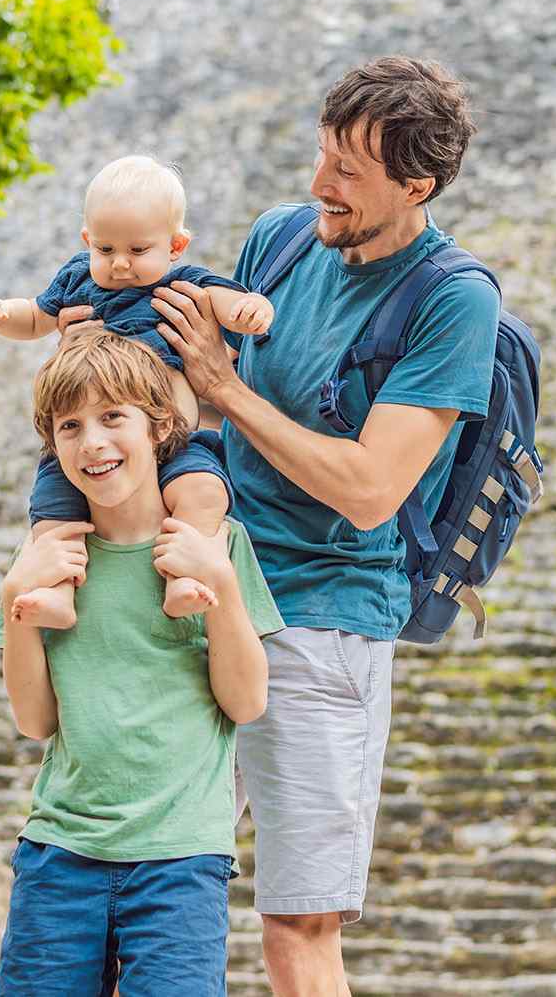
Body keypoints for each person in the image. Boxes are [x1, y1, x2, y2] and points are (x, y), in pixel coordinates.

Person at [149, 56, 499, 996]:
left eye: (348, 172)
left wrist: (225, 384)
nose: (319, 187)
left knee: (297, 924)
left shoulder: (452, 298)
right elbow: (212, 412)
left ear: (414, 185)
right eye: (322, 155)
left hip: (325, 617)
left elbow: (371, 488)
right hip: (204, 595)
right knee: (145, 892)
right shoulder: (282, 241)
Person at [0, 331, 284, 997]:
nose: (92, 442)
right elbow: (37, 719)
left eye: (112, 417)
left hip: (181, 858)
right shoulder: (44, 562)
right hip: (60, 854)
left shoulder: (218, 544)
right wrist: (15, 596)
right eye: (70, 426)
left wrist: (221, 586)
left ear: (159, 429)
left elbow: (246, 702)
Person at [0, 154, 275, 625]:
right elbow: (37, 315)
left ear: (176, 245)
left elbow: (223, 302)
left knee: (205, 492)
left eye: (137, 252)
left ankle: (185, 578)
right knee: (53, 509)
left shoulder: (183, 283)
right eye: (105, 249)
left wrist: (248, 308)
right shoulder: (79, 280)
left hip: (177, 440)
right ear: (86, 241)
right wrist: (0, 313)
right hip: (92, 440)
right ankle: (55, 590)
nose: (119, 265)